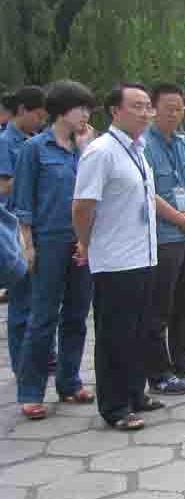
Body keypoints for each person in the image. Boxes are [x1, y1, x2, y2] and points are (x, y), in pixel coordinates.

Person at [73, 83, 161, 430]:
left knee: (139, 331)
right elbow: (83, 205)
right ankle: (114, 406)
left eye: (147, 106)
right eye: (137, 106)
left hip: (144, 255)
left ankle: (135, 392)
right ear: (115, 111)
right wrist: (85, 243)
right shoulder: (101, 151)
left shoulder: (139, 150)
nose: (145, 113)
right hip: (115, 261)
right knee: (115, 335)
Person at [12, 81, 96, 420]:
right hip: (48, 241)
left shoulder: (84, 149)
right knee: (43, 317)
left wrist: (86, 149)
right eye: (81, 108)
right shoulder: (35, 149)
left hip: (82, 240)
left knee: (76, 314)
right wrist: (28, 245)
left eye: (88, 109)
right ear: (62, 110)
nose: (86, 115)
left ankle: (69, 381)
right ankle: (31, 391)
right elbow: (23, 201)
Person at [143, 83, 185, 398]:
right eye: (168, 108)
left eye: (179, 108)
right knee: (159, 307)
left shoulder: (183, 144)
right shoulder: (144, 145)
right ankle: (158, 372)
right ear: (154, 109)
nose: (174, 114)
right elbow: (148, 193)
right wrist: (179, 218)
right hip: (163, 236)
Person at [0, 85, 47, 370]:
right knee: (21, 302)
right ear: (22, 110)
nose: (41, 122)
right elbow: (3, 186)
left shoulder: (35, 140)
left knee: (39, 299)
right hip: (14, 230)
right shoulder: (6, 142)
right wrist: (31, 173)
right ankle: (22, 362)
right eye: (38, 115)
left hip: (39, 225)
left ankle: (43, 356)